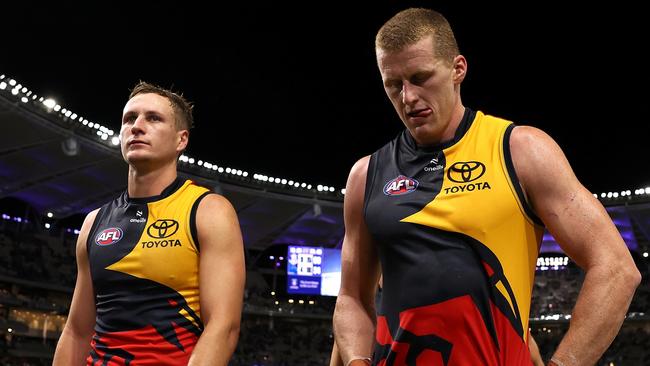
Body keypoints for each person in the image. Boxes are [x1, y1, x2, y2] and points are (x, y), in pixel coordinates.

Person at [332, 7, 640, 366]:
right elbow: (352, 297)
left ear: (458, 69)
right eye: (393, 84)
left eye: (420, 77)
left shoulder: (521, 150)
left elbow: (616, 267)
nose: (408, 97)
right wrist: (356, 361)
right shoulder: (365, 175)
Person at [53, 81, 245, 365]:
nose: (137, 126)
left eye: (153, 118)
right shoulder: (94, 222)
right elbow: (77, 331)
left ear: (181, 140)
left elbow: (223, 326)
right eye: (129, 119)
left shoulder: (208, 211)